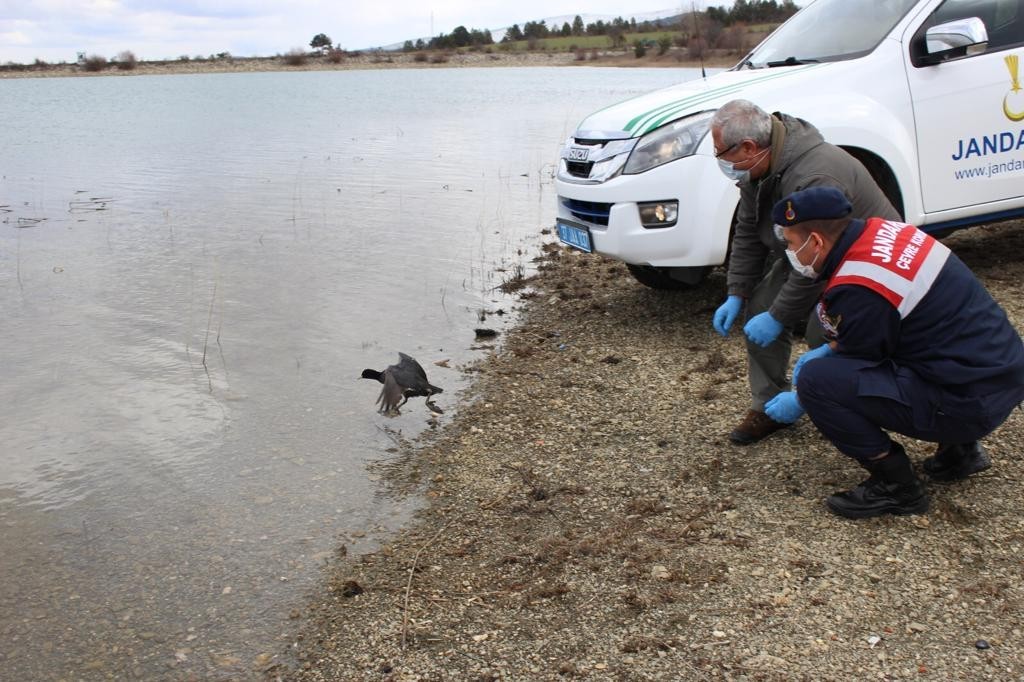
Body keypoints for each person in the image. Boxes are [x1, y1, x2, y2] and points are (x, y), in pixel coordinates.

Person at [764, 186, 1024, 519]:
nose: (790, 252)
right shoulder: (888, 232)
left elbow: (861, 358)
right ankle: (959, 451)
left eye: (789, 243)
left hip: (969, 402)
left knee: (818, 382)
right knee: (921, 340)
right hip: (999, 372)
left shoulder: (858, 284)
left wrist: (802, 396)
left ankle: (897, 486)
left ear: (816, 242)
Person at [710, 99, 900, 445]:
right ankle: (768, 405)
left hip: (866, 259)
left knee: (825, 334)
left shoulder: (814, 176)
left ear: (749, 147)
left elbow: (816, 260)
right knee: (761, 309)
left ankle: (836, 407)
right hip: (808, 251)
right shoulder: (759, 169)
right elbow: (749, 231)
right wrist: (737, 292)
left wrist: (781, 316)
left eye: (720, 152)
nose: (721, 161)